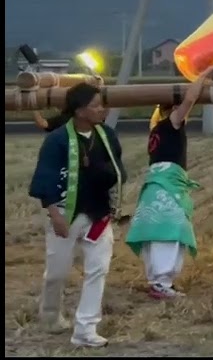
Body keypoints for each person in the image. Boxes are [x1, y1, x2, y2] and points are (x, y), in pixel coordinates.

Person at [27, 82, 125, 348]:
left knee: (98, 269)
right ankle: (50, 316)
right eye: (95, 105)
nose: (101, 109)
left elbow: (118, 171)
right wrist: (55, 215)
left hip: (98, 213)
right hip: (65, 213)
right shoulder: (57, 140)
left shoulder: (107, 135)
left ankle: (85, 329)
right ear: (80, 111)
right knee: (57, 273)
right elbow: (45, 179)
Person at [125, 69, 213, 299]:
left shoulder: (156, 129)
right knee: (169, 230)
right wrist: (205, 74)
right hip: (166, 186)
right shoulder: (170, 123)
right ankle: (161, 282)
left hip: (157, 184)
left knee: (158, 231)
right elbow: (191, 99)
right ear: (171, 109)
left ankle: (159, 281)